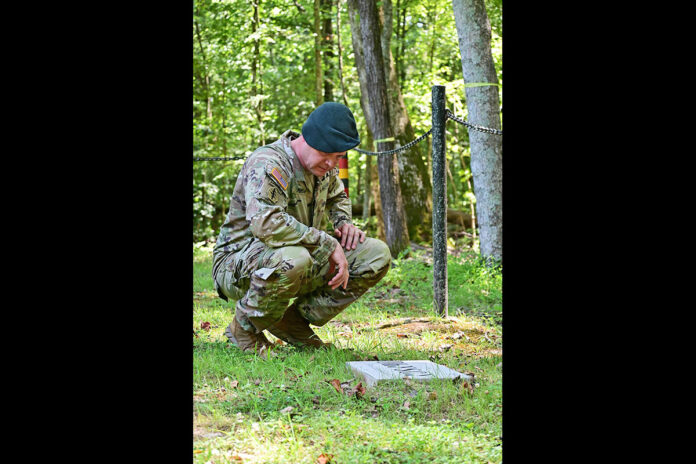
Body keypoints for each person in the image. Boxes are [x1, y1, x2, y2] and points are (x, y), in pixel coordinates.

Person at [212, 102, 392, 357]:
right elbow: (266, 223)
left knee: (375, 254)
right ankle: (244, 328)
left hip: (298, 256)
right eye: (327, 154)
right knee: (294, 259)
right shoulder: (270, 162)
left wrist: (343, 224)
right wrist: (328, 242)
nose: (332, 163)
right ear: (308, 139)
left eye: (338, 157)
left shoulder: (322, 167)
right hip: (238, 265)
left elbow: (338, 197)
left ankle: (290, 321)